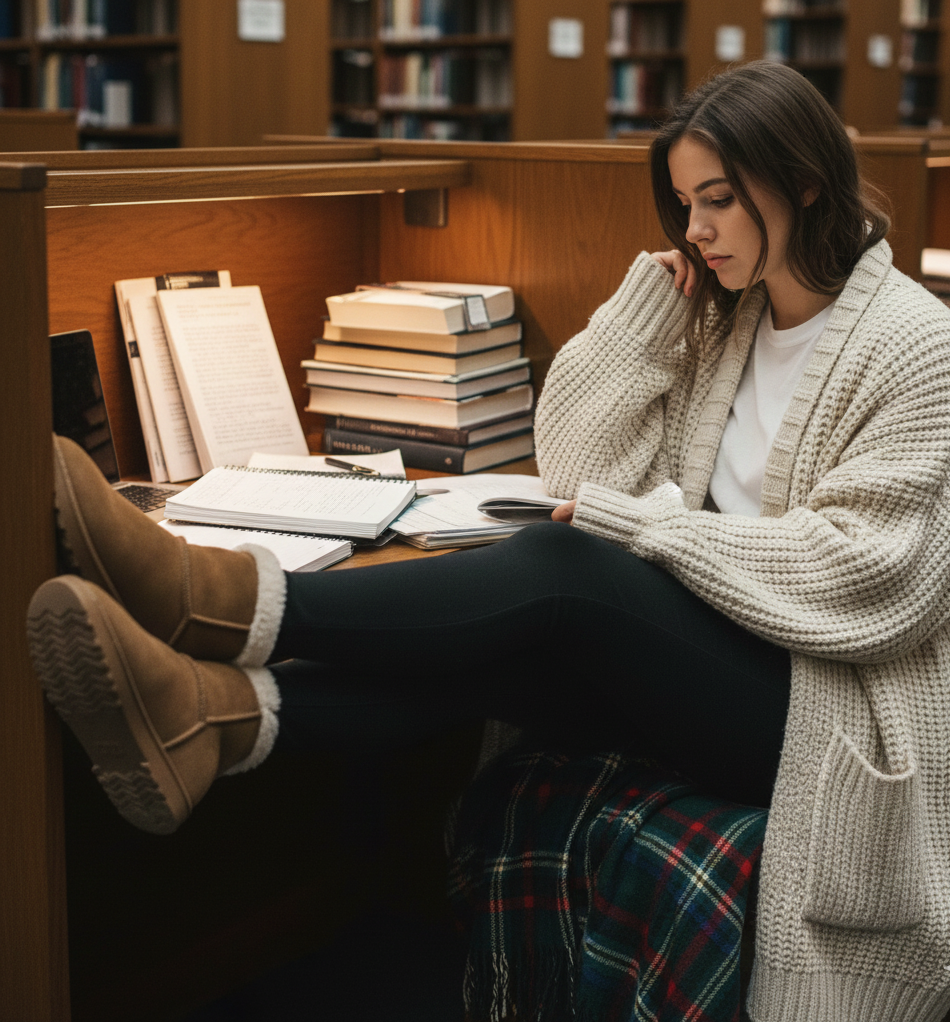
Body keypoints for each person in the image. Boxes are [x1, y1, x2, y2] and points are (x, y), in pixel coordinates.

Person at [27, 60, 950, 1021]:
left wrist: (645, 528)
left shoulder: (917, 344)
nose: (694, 232)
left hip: (826, 709)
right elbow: (576, 462)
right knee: (505, 651)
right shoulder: (727, 315)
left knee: (561, 570)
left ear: (803, 182)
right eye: (681, 204)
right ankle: (219, 719)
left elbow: (869, 578)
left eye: (716, 201)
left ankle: (207, 597)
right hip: (717, 661)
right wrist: (642, 320)